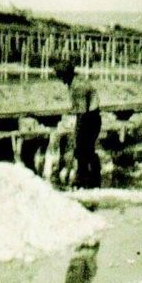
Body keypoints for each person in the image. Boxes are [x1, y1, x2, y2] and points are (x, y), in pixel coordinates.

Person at [54, 59, 101, 189]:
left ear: (66, 74)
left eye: (61, 76)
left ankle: (84, 180)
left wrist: (77, 132)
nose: (61, 80)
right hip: (89, 116)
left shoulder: (78, 86)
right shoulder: (74, 82)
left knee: (82, 151)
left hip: (89, 118)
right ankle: (91, 179)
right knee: (85, 150)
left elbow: (82, 112)